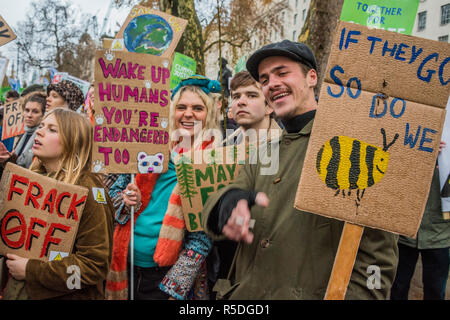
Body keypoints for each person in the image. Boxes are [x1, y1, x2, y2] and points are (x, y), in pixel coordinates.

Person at [201, 40, 398, 300]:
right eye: (264, 79)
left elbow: (376, 259)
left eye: (282, 73)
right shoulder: (262, 154)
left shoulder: (353, 150)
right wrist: (226, 204)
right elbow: (225, 197)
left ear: (312, 77)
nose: (271, 84)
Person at [105, 75, 222, 300]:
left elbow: (202, 237)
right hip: (123, 268)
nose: (188, 114)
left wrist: (174, 290)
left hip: (163, 280)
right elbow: (112, 197)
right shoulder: (146, 146)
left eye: (198, 108)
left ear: (208, 115)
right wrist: (127, 200)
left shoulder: (213, 162)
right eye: (181, 107)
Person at [2, 108, 114, 299]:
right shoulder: (33, 179)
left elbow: (94, 267)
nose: (39, 131)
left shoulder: (90, 191)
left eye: (52, 129)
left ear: (73, 142)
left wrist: (32, 270)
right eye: (42, 125)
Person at [207, 70, 283, 298]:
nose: (240, 101)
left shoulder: (286, 149)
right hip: (225, 266)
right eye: (236, 95)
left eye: (251, 95)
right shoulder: (219, 147)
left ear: (269, 106)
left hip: (268, 272)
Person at [390, 143, 450, 300]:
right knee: (398, 287)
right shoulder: (414, 133)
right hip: (405, 231)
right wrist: (420, 154)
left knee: (435, 290)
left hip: (440, 234)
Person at [0, 93, 46, 176]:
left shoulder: (43, 137)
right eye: (27, 110)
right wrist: (8, 159)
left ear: (43, 115)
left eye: (35, 112)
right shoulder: (22, 134)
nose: (29, 115)